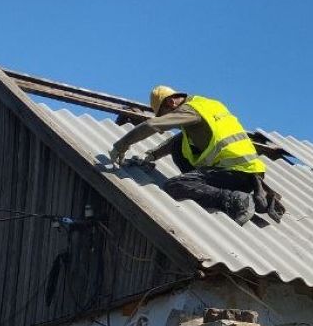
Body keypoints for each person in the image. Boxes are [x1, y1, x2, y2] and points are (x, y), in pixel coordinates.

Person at [109, 86, 275, 224]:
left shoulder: (190, 111)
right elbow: (179, 140)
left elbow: (153, 124)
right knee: (179, 147)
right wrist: (152, 156)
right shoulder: (207, 104)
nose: (167, 118)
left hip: (234, 172)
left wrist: (121, 146)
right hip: (249, 172)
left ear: (171, 101)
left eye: (164, 112)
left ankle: (236, 199)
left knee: (174, 186)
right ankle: (211, 188)